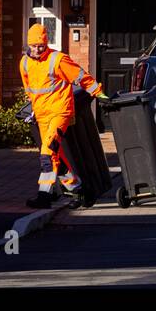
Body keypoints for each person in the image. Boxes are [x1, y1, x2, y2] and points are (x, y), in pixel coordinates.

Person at [20, 23, 106, 208]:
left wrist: (98, 92)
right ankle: (79, 190)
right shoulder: (25, 63)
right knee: (56, 156)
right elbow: (30, 89)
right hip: (42, 114)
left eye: (41, 45)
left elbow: (80, 76)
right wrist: (34, 108)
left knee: (47, 152)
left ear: (46, 44)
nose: (37, 49)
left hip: (60, 111)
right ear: (28, 45)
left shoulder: (57, 60)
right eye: (34, 46)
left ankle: (44, 195)